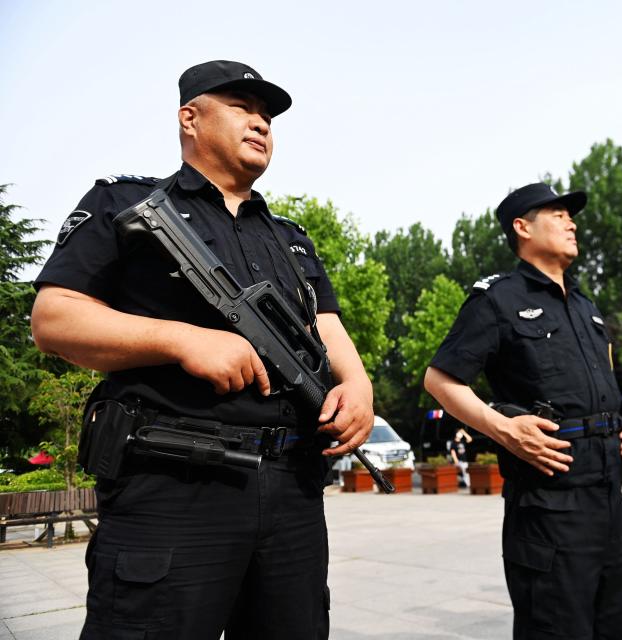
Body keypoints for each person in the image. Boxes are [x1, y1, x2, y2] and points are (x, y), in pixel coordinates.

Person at [30, 60, 374, 639]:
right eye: (242, 108)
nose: (261, 123)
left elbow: (326, 324)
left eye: (268, 116)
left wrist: (359, 385)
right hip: (174, 484)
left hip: (292, 488)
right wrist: (180, 339)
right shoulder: (126, 203)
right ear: (190, 118)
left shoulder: (289, 237)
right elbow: (54, 317)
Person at [423, 182, 622, 639]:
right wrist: (504, 429)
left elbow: (603, 387)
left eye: (571, 215)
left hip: (609, 503)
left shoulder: (587, 307)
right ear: (521, 227)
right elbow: (440, 380)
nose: (571, 222)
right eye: (557, 213)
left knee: (621, 628)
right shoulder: (498, 299)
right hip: (549, 509)